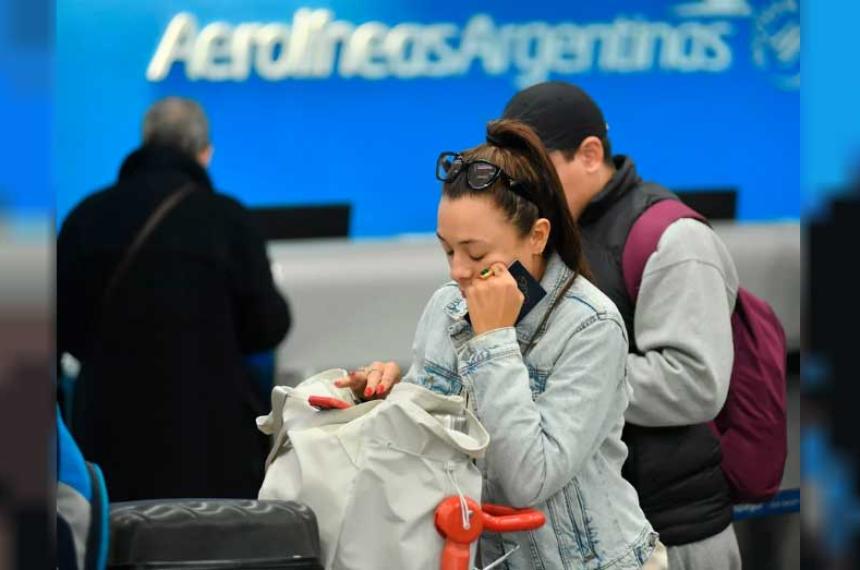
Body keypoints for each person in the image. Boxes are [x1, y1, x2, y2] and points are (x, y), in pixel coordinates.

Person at [338, 119, 665, 569]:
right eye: (447, 250)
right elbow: (429, 453)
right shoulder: (446, 307)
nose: (457, 271)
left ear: (537, 237)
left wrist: (493, 340)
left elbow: (524, 482)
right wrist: (388, 398)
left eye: (475, 254)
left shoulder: (591, 326)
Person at [501, 81, 742, 569]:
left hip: (674, 532)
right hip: (588, 531)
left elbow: (696, 382)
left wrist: (567, 378)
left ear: (590, 154)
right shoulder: (545, 237)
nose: (527, 192)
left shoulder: (673, 240)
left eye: (537, 174)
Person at [57, 97, 290, 501]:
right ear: (205, 153)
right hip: (210, 442)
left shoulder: (85, 218)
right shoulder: (229, 219)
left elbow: (61, 329)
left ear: (145, 142)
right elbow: (267, 325)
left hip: (107, 441)